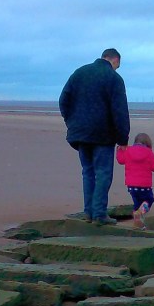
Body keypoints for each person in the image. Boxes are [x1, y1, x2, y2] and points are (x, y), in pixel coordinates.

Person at [59, 48, 130, 224]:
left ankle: (89, 212)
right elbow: (120, 111)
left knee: (88, 172)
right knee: (103, 173)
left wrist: (72, 122)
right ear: (114, 60)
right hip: (102, 135)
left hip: (80, 133)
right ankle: (99, 213)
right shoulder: (113, 78)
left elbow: (63, 100)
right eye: (117, 66)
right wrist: (123, 139)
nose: (116, 69)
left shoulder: (79, 73)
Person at [116, 132, 154, 229]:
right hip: (145, 186)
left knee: (137, 203)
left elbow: (120, 160)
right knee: (149, 200)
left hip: (131, 186)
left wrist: (119, 150)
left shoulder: (128, 151)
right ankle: (139, 214)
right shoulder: (149, 153)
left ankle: (138, 224)